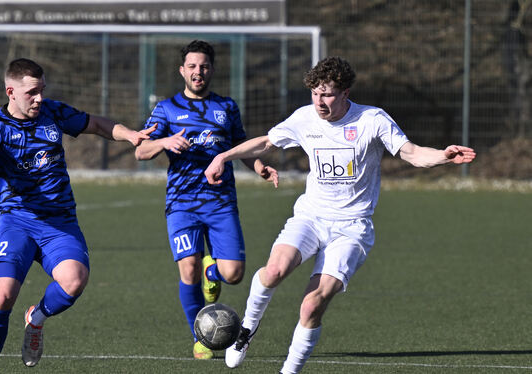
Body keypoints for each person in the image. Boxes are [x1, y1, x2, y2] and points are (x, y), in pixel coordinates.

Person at [204, 56, 476, 373]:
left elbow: (412, 153)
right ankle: (246, 331)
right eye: (315, 94)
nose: (320, 102)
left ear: (346, 93)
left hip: (352, 229)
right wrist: (223, 156)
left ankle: (289, 371)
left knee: (311, 304)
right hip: (310, 217)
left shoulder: (372, 120)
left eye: (328, 94)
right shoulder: (305, 118)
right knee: (275, 270)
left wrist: (443, 156)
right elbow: (266, 141)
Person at [0, 58, 154, 374]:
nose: (39, 98)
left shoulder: (53, 112)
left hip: (59, 223)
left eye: (42, 91)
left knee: (74, 282)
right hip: (17, 221)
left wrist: (130, 134)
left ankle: (36, 318)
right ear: (11, 91)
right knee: (4, 293)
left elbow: (96, 124)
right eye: (32, 93)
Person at [134, 40, 278, 360]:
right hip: (181, 204)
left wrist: (259, 167)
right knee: (187, 269)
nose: (198, 72)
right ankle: (200, 337)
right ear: (182, 70)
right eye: (193, 66)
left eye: (204, 66)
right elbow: (140, 151)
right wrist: (165, 142)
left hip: (221, 202)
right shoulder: (166, 109)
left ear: (211, 70)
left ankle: (212, 271)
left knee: (234, 275)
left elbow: (242, 146)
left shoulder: (226, 107)